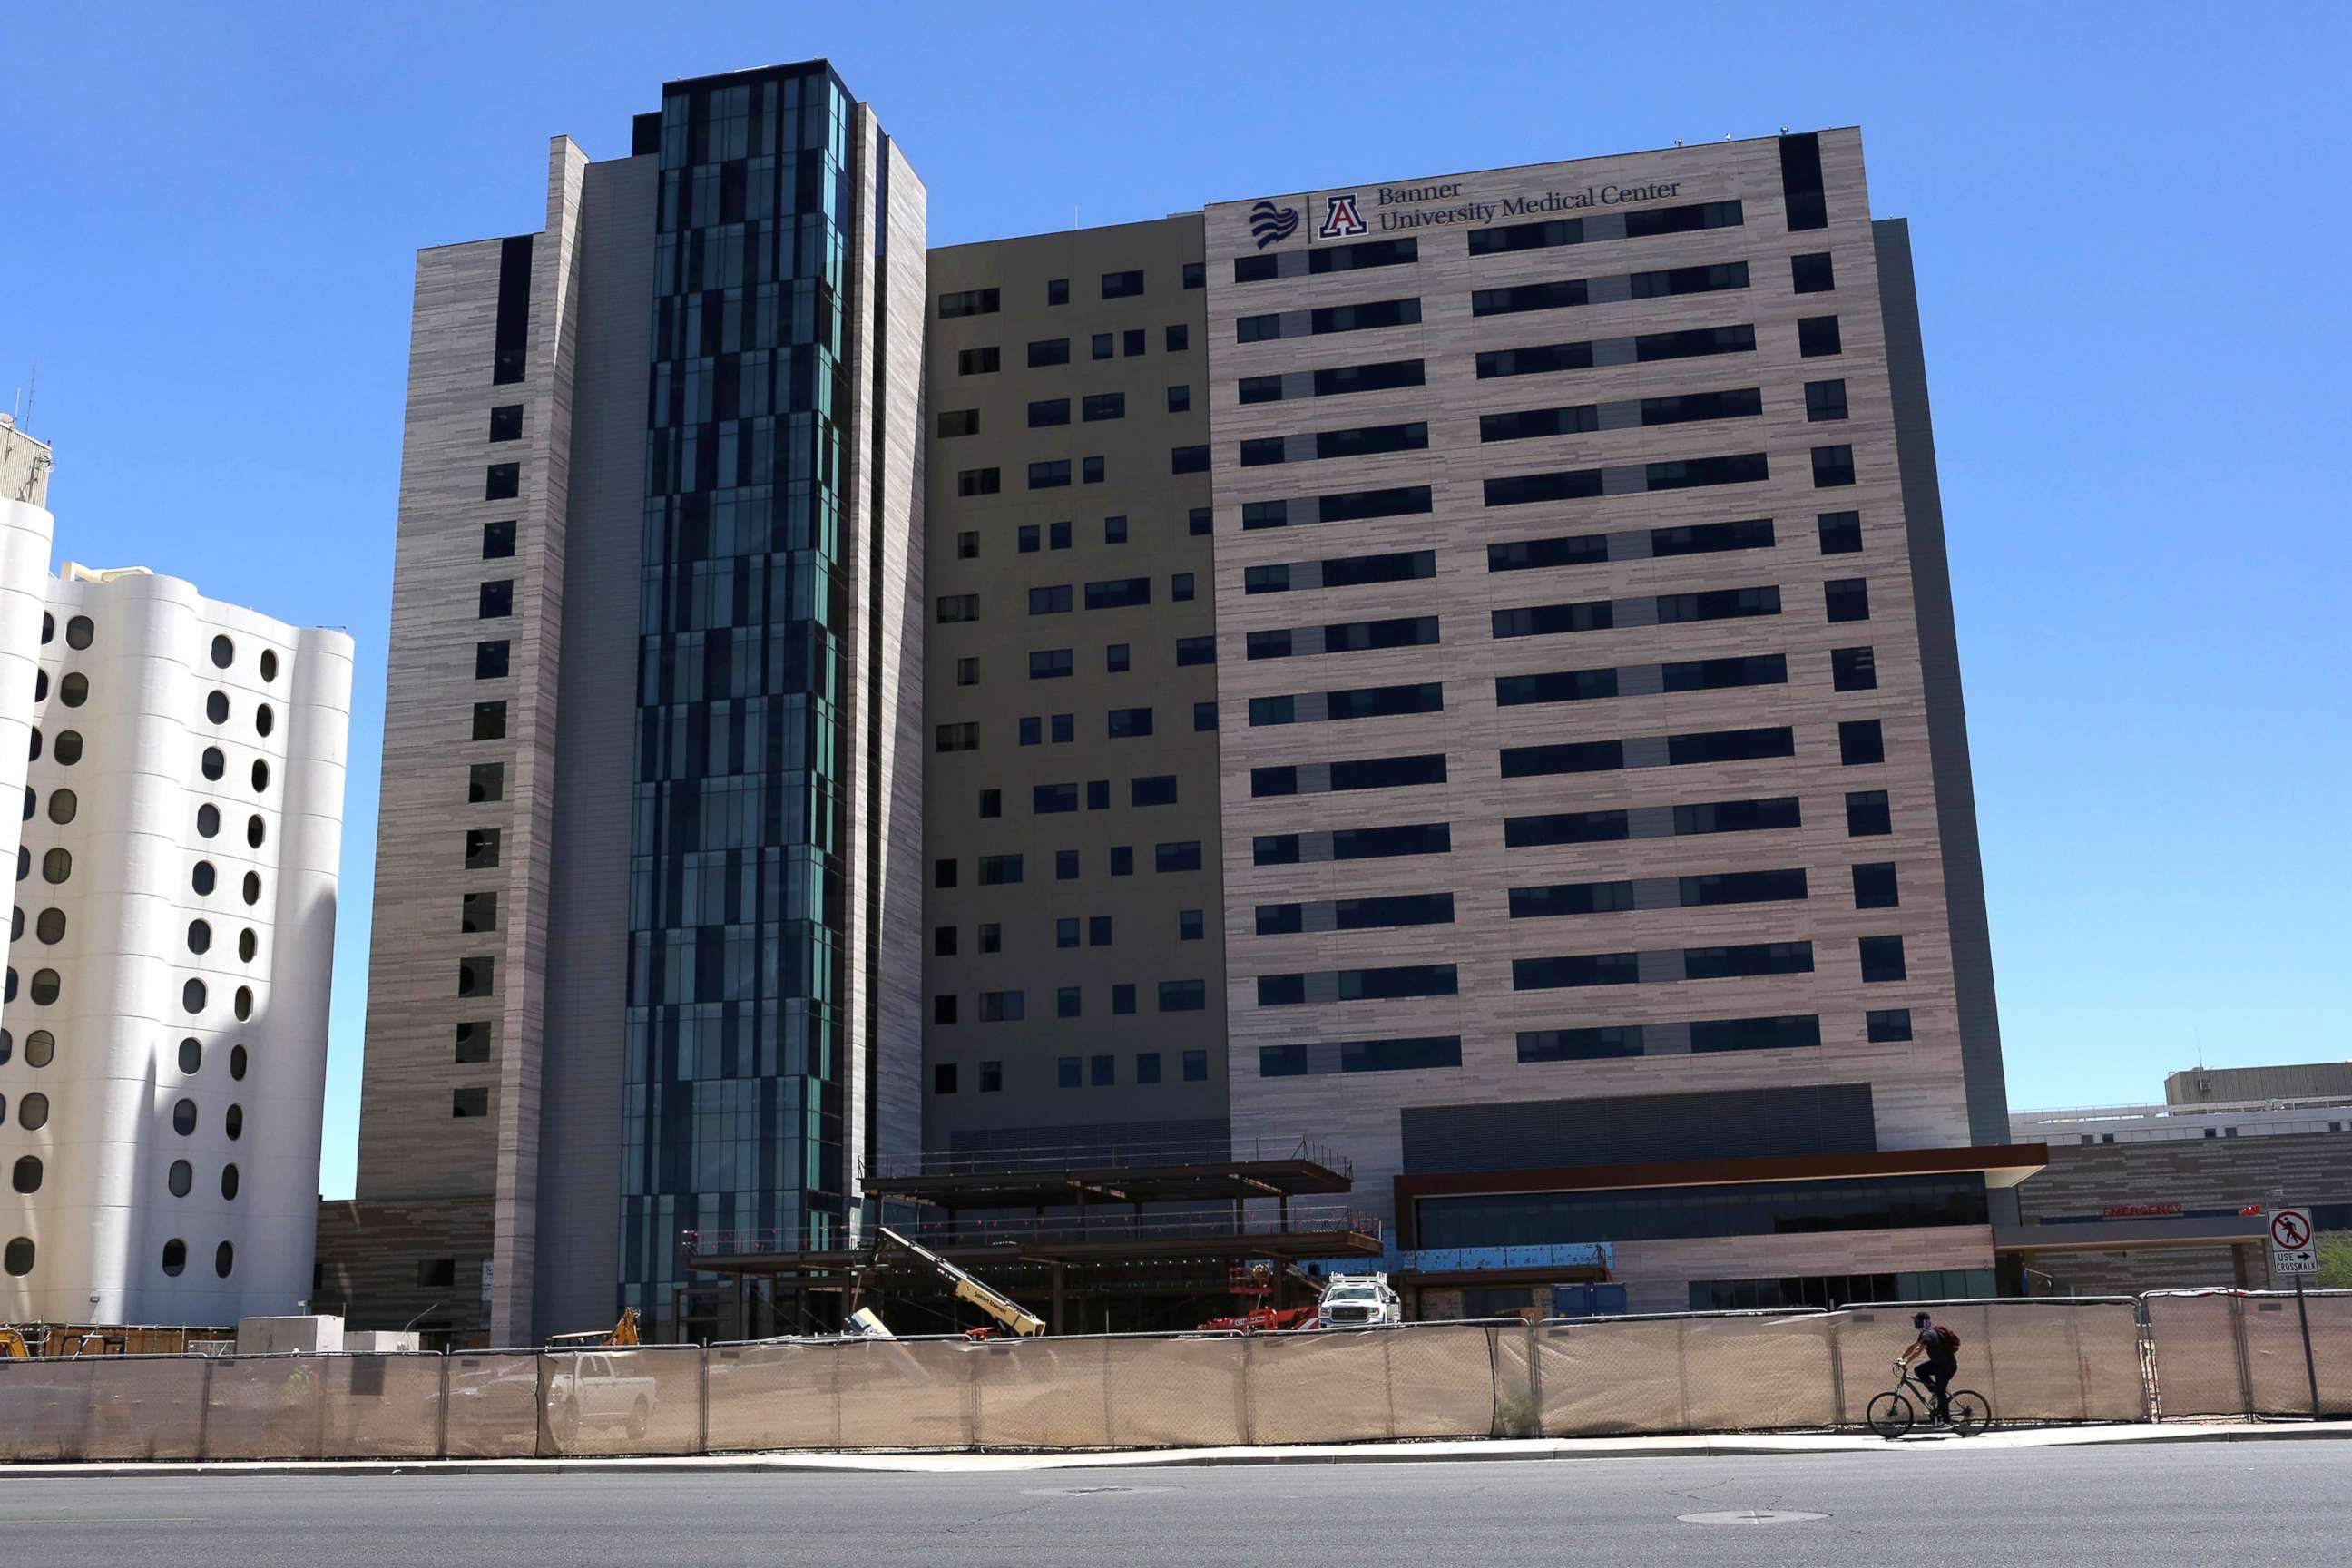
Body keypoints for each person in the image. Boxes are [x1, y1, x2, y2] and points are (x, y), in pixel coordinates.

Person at [1898, 1310, 1960, 1427]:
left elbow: (1918, 1350)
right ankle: (1934, 1391)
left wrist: (1906, 1362)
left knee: (1941, 1391)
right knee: (1919, 1370)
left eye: (1916, 1321)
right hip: (1939, 1365)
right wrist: (1901, 1357)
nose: (1914, 1323)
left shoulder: (1929, 1335)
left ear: (1921, 1322)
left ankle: (1946, 1421)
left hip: (1946, 1366)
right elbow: (1913, 1346)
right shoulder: (1925, 1333)